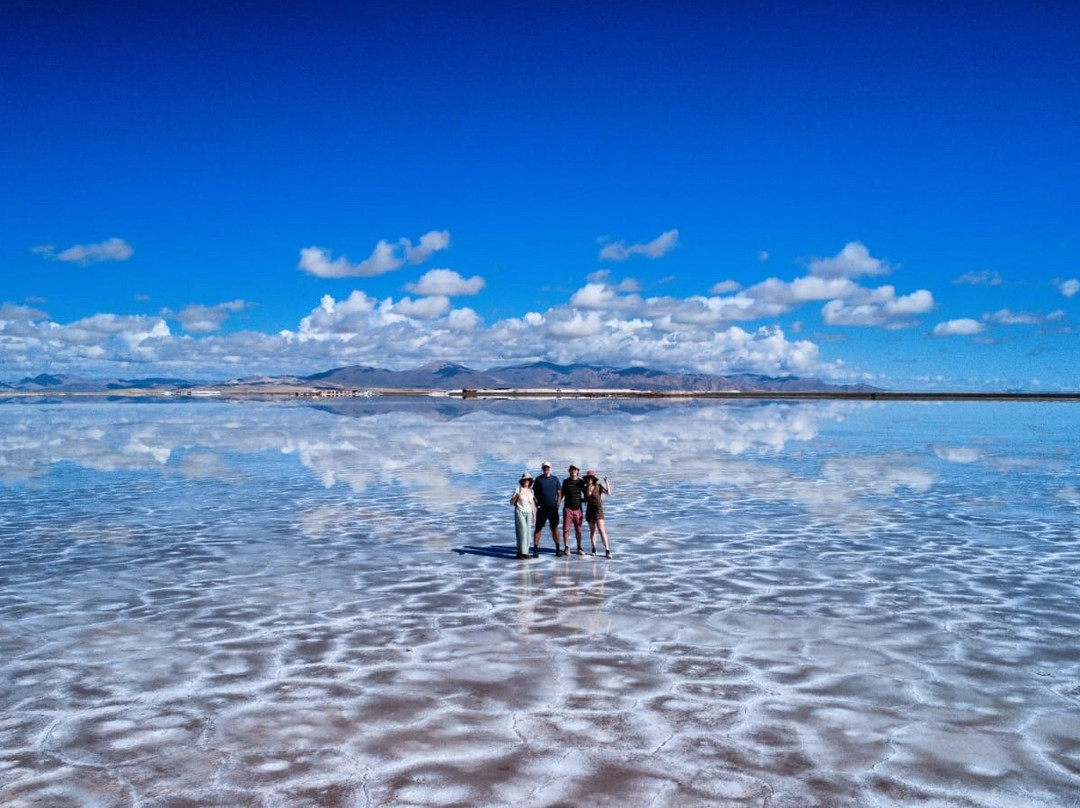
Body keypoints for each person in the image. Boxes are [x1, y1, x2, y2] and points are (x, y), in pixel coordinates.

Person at [532, 461, 563, 556]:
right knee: (538, 528)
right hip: (542, 509)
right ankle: (535, 549)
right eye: (545, 467)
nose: (547, 469)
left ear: (551, 468)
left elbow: (559, 493)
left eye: (548, 467)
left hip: (553, 508)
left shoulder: (555, 479)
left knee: (555, 528)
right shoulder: (538, 479)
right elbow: (534, 494)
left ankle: (558, 548)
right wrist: (537, 504)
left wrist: (558, 504)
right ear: (543, 468)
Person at [584, 470, 612, 558]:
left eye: (591, 477)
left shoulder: (598, 486)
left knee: (601, 530)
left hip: (598, 511)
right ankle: (594, 549)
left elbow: (609, 493)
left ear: (593, 479)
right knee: (592, 531)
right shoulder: (585, 488)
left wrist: (606, 482)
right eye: (588, 477)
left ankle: (607, 550)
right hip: (589, 511)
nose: (590, 479)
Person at [561, 464, 587, 555]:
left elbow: (586, 493)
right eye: (571, 470)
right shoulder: (565, 482)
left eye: (575, 470)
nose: (573, 471)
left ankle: (579, 547)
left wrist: (585, 500)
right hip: (568, 509)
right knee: (565, 530)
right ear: (570, 472)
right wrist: (557, 503)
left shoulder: (581, 482)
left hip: (578, 509)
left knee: (578, 530)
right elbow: (562, 494)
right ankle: (566, 547)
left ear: (577, 471)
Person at [510, 471, 536, 560]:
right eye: (524, 480)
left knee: (528, 533)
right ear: (522, 481)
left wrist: (534, 514)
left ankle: (524, 553)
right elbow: (511, 502)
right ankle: (522, 553)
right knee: (522, 532)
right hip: (519, 511)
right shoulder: (518, 489)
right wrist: (516, 497)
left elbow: (532, 503)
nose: (526, 482)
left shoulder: (531, 490)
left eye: (528, 480)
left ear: (530, 481)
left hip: (528, 512)